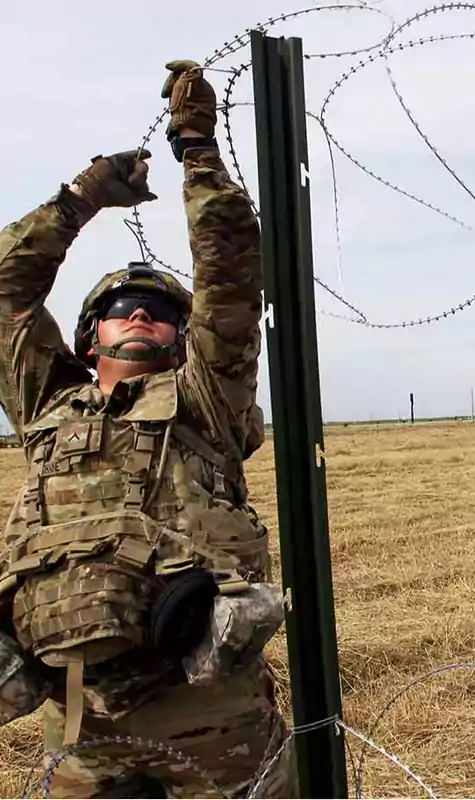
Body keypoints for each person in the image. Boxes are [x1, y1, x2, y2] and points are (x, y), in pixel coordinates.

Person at [0, 60, 296, 797]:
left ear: (178, 336)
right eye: (120, 308)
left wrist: (196, 146)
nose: (139, 314)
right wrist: (81, 199)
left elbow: (229, 268)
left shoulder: (204, 395)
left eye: (160, 311)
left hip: (209, 708)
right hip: (78, 714)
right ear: (88, 336)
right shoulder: (46, 403)